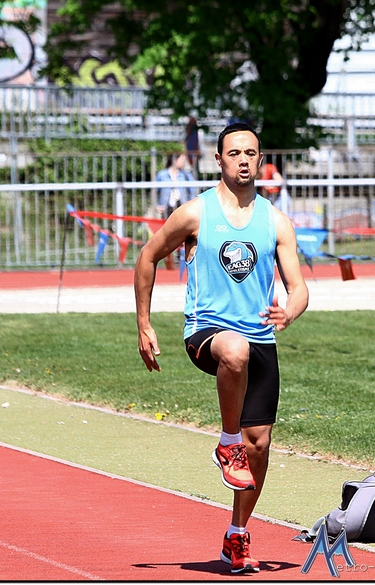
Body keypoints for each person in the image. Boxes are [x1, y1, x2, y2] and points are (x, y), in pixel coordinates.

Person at [134, 123, 309, 574]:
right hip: (208, 333)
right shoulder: (195, 213)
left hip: (261, 339)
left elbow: (299, 287)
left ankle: (237, 534)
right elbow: (147, 257)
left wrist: (289, 311)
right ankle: (227, 443)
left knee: (260, 445)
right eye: (234, 153)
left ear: (261, 159)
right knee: (234, 350)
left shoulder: (276, 220)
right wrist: (144, 324)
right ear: (218, 160)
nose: (243, 160)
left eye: (251, 153)